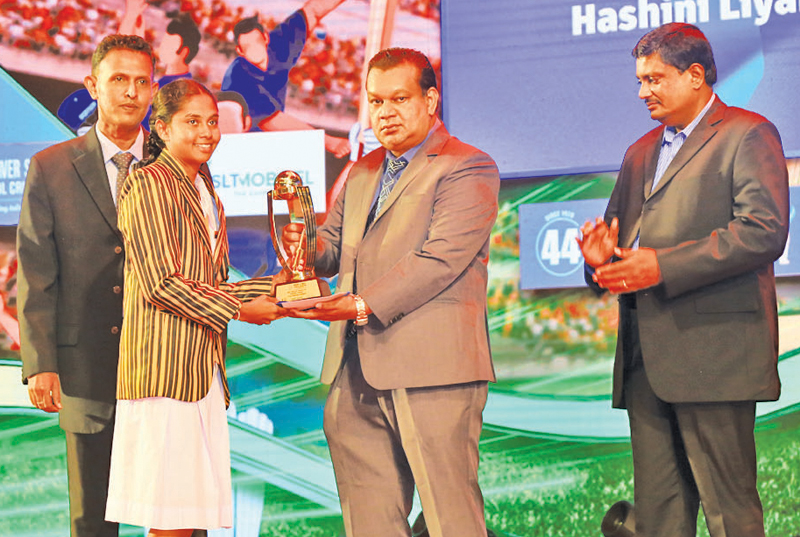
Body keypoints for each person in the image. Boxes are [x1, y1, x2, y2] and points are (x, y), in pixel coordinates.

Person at [578, 23, 789, 537]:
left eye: (654, 78)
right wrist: (600, 261)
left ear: (695, 75)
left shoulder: (748, 133)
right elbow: (622, 248)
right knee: (659, 517)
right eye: (639, 80)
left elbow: (764, 231)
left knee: (729, 511)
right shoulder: (638, 151)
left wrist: (661, 266)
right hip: (645, 363)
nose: (642, 91)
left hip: (715, 357)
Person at [284, 48, 500, 537]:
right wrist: (301, 240)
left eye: (399, 99)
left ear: (430, 99)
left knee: (451, 518)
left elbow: (439, 260)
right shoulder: (363, 172)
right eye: (376, 101)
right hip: (353, 370)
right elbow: (334, 248)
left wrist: (361, 304)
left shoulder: (468, 167)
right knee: (369, 520)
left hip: (434, 370)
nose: (385, 112)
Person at [104, 79, 285, 536]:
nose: (207, 131)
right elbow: (161, 285)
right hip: (164, 373)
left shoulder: (204, 188)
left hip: (202, 372)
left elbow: (212, 284)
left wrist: (282, 285)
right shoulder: (147, 183)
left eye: (212, 121)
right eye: (192, 122)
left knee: (187, 521)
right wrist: (242, 310)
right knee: (170, 523)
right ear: (161, 128)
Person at [17, 34, 158, 537]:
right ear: (92, 85)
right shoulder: (50, 168)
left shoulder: (180, 165)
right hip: (82, 372)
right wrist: (42, 363)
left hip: (162, 373)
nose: (130, 92)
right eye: (118, 79)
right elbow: (36, 272)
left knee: (176, 519)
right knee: (92, 522)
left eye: (142, 81)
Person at [221, 0, 350, 157]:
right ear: (239, 51)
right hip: (241, 149)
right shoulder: (238, 77)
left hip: (273, 141)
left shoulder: (279, 46)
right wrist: (329, 142)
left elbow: (313, 11)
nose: (255, 50)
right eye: (247, 47)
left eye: (257, 42)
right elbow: (271, 121)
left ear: (266, 38)